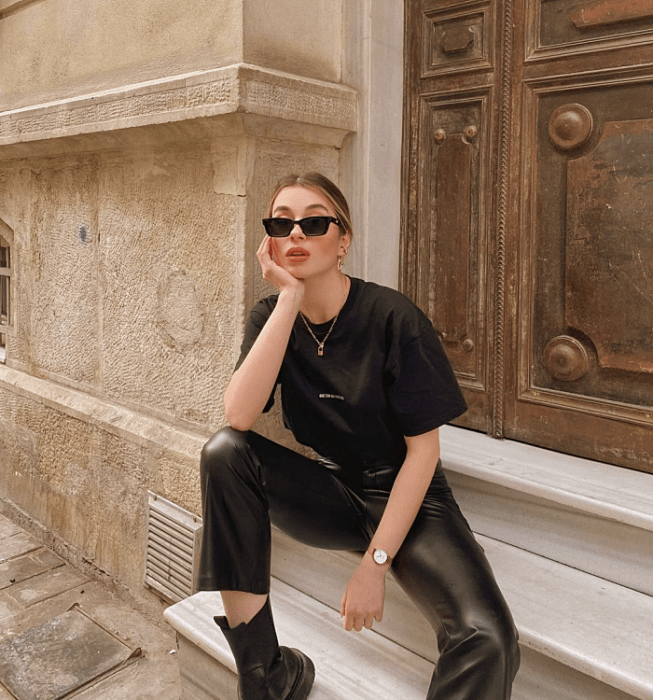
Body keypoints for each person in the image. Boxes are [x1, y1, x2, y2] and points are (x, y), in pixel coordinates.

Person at [199, 172, 520, 700]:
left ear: (343, 240)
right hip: (332, 491)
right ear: (270, 241)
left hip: (410, 498)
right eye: (282, 223)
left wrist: (375, 564)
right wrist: (286, 299)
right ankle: (265, 678)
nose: (296, 233)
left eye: (314, 222)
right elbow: (238, 416)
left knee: (488, 637)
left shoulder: (394, 318)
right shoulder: (271, 317)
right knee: (225, 454)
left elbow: (423, 453)